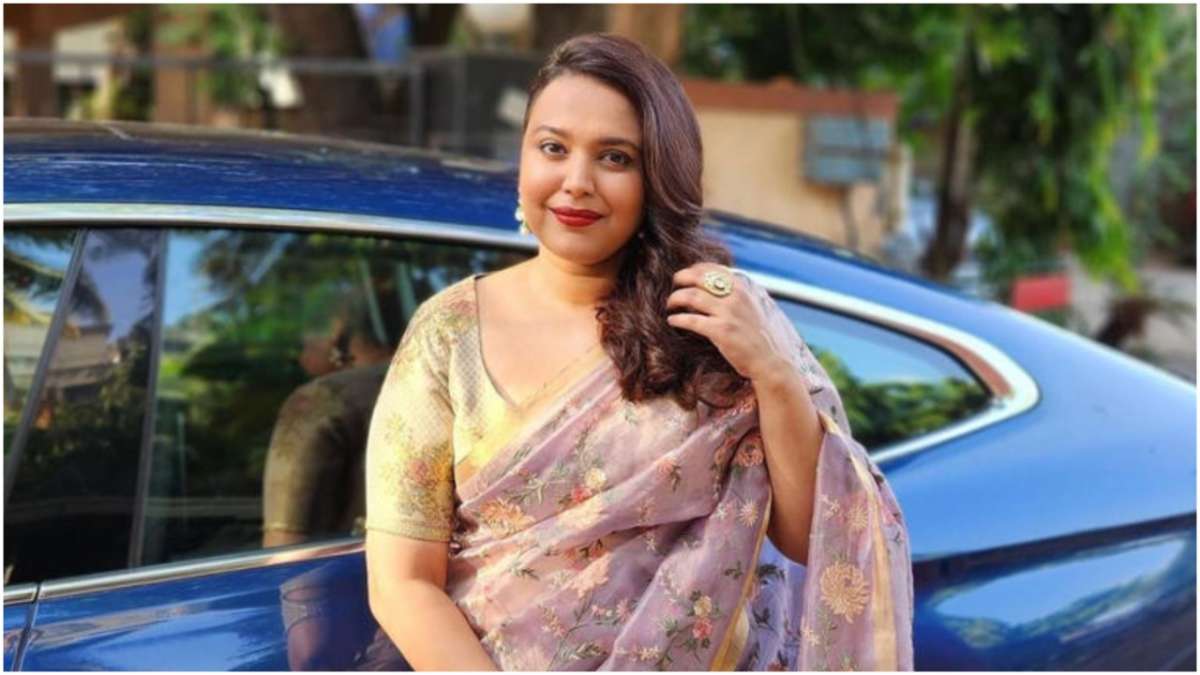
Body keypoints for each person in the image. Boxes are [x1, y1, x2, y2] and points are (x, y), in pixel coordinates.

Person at [364, 33, 913, 671]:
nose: (576, 182)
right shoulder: (449, 332)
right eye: (552, 148)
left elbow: (812, 534)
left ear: (657, 177)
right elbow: (403, 581)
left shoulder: (715, 318)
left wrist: (772, 373)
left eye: (615, 158)